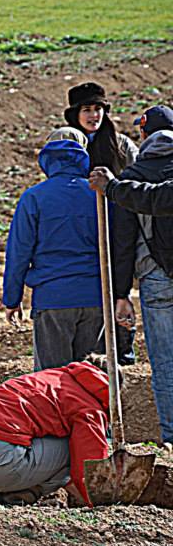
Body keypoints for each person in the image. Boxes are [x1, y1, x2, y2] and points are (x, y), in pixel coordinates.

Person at [0, 355, 114, 508]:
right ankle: (18, 492)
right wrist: (97, 502)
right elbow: (89, 465)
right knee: (74, 445)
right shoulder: (90, 407)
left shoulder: (52, 378)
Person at [2, 129, 102, 370]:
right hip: (96, 296)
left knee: (52, 380)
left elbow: (18, 253)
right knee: (91, 378)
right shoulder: (99, 195)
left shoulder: (34, 198)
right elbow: (117, 247)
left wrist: (12, 299)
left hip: (53, 298)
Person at [111, 104, 173, 447]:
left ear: (144, 136)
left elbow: (122, 242)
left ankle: (172, 441)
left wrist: (122, 295)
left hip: (156, 277)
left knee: (166, 366)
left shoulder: (131, 177)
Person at [64, 81, 139, 363]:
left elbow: (137, 180)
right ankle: (92, 353)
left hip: (118, 226)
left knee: (119, 286)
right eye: (87, 110)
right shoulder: (67, 148)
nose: (93, 115)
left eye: (97, 109)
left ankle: (123, 350)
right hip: (82, 231)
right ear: (75, 115)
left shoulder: (120, 145)